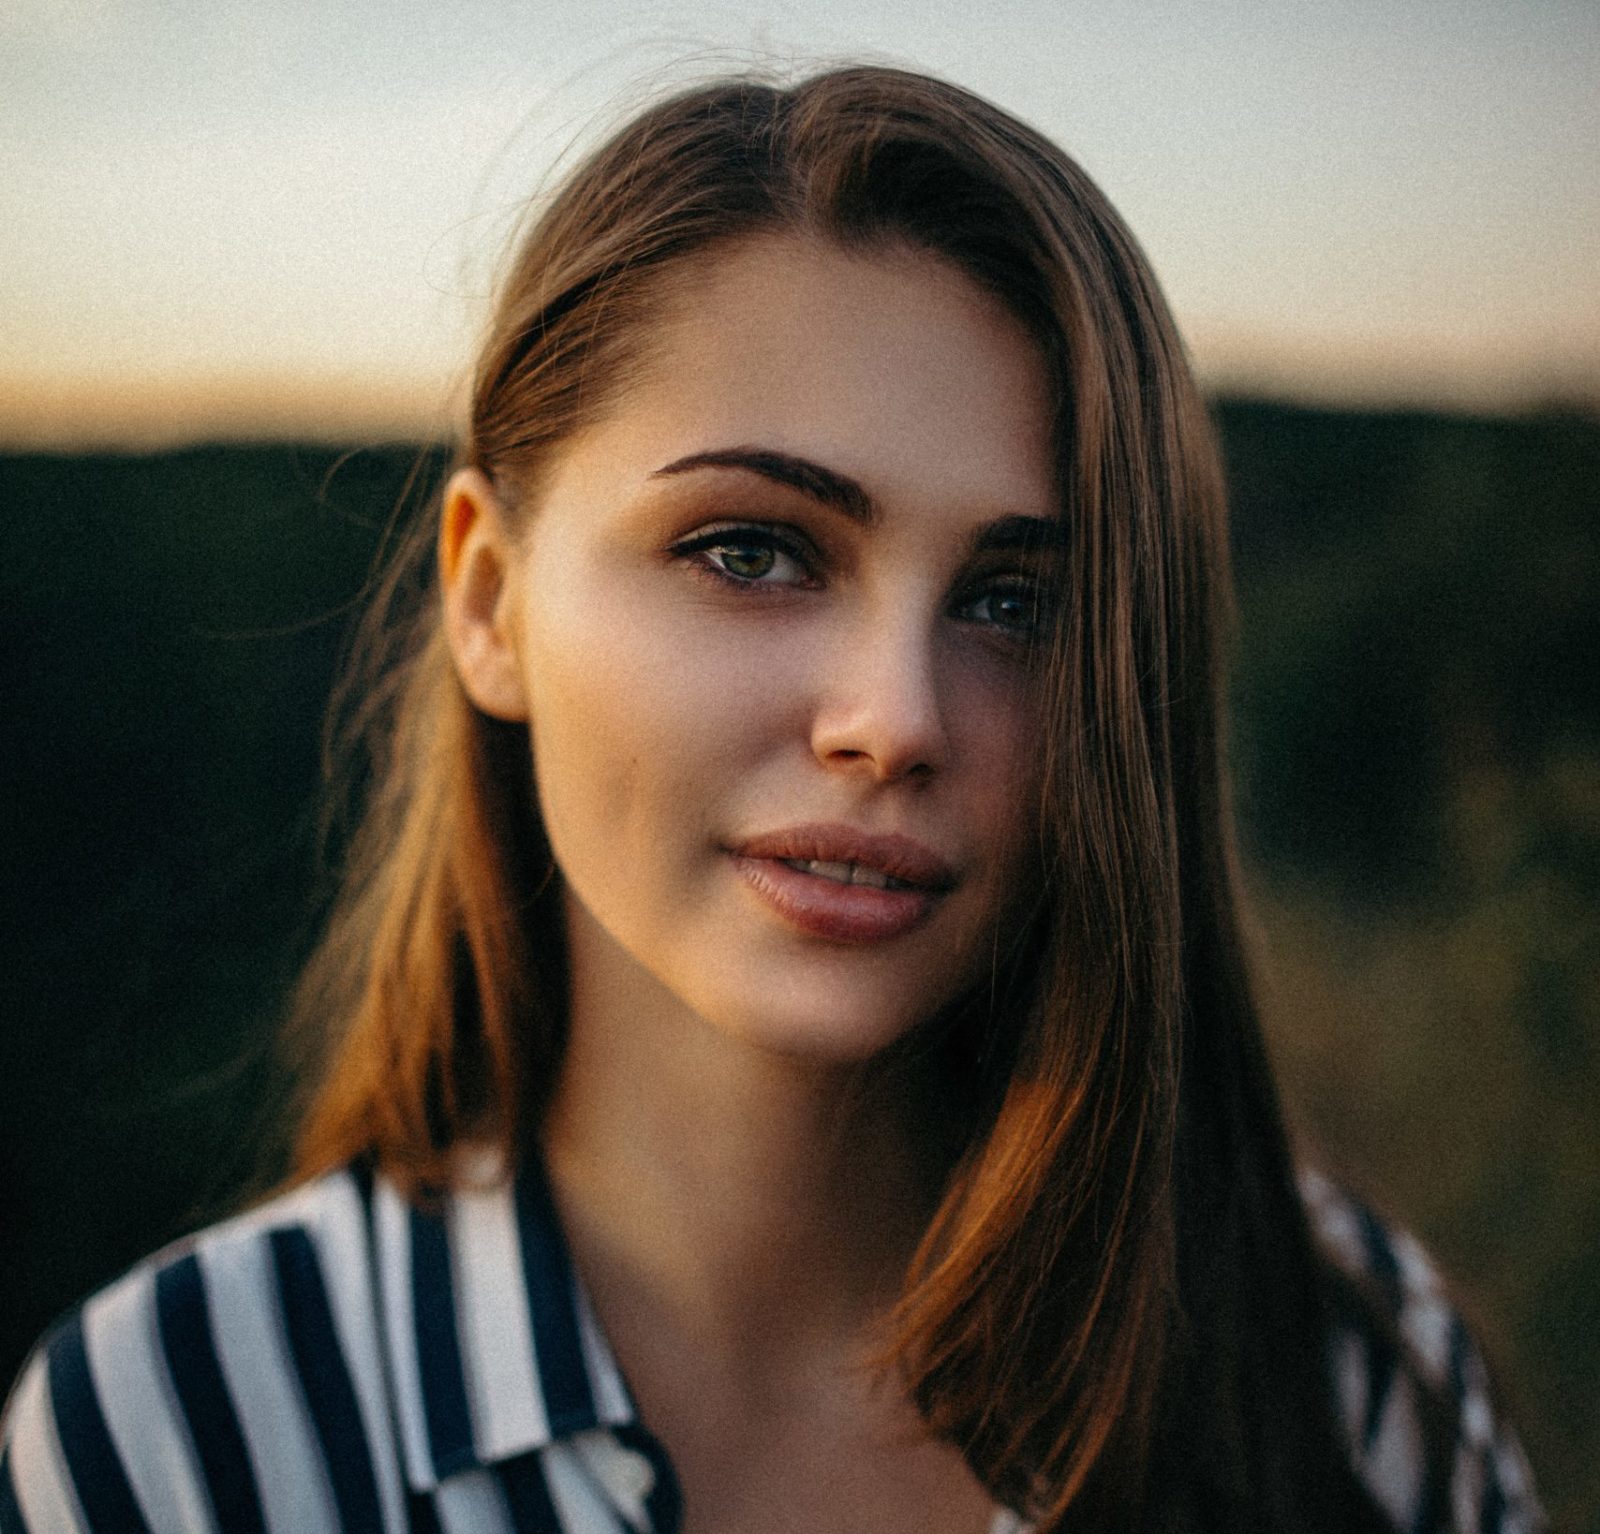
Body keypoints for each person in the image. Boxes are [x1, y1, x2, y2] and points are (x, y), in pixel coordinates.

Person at [0, 64, 1543, 1534]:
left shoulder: (1339, 1377)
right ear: (488, 598)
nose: (896, 718)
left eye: (1018, 600)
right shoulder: (182, 1431)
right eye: (752, 549)